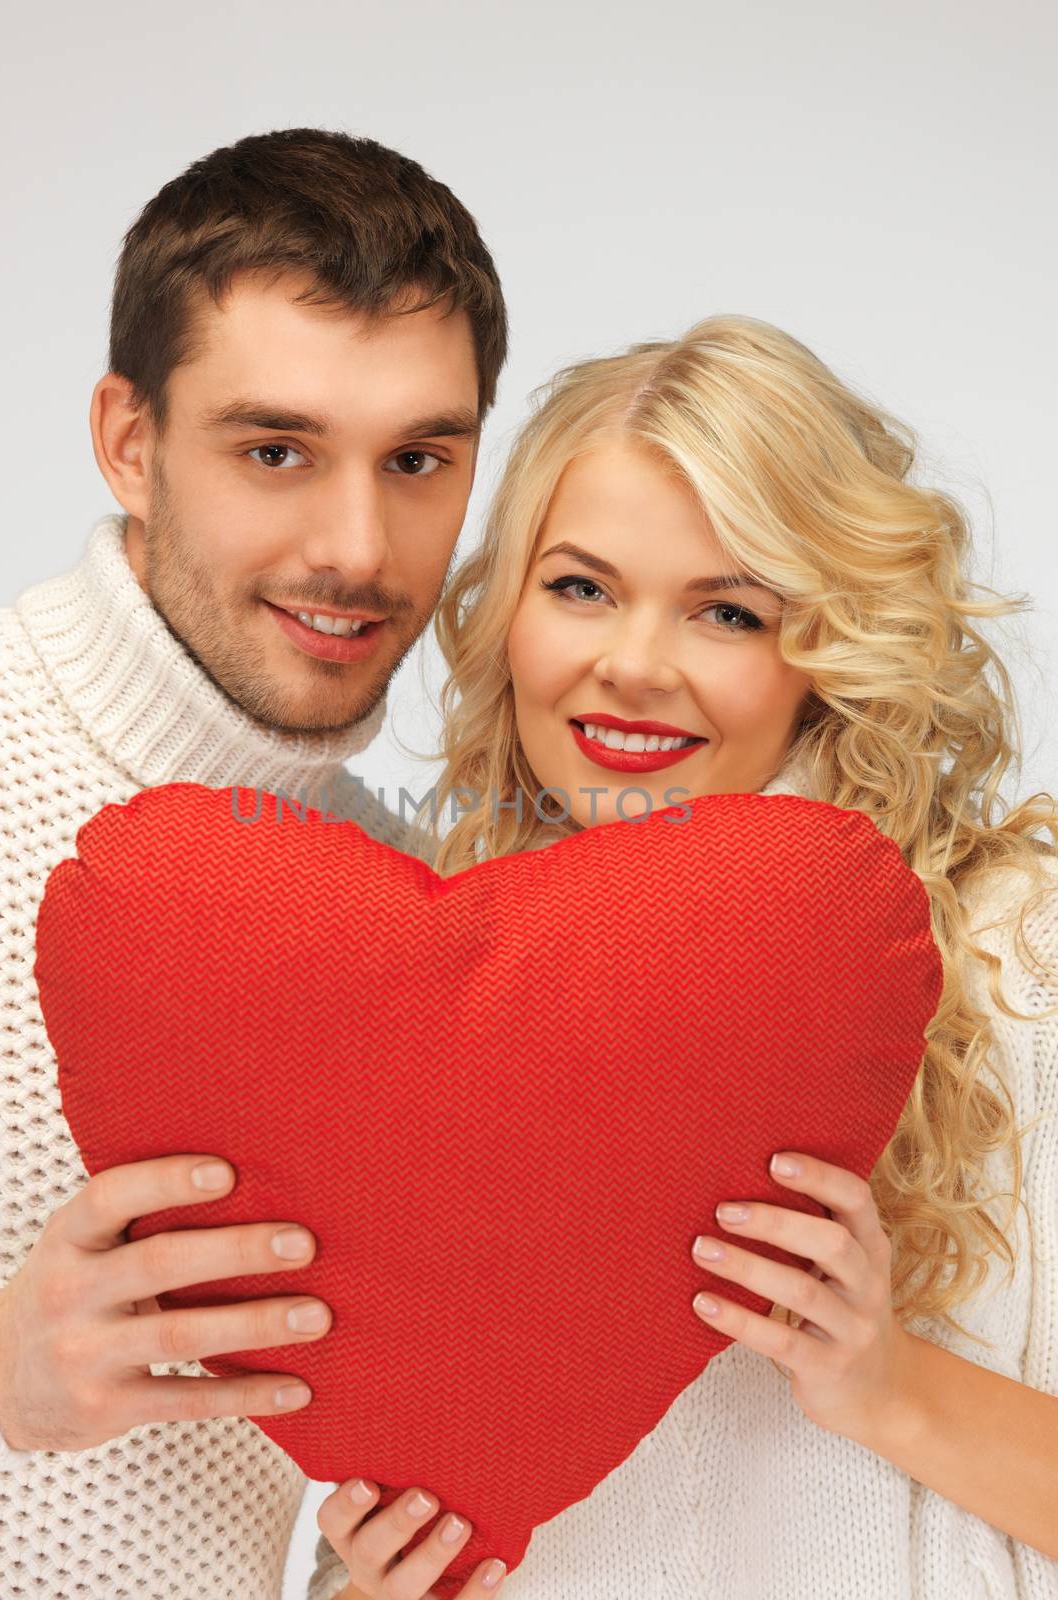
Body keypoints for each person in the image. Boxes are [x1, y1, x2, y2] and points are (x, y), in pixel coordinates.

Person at [0, 126, 513, 1599]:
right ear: (130, 441)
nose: (358, 545)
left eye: (420, 459)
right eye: (274, 450)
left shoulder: (415, 912)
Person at [311, 315, 1058, 1600]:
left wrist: (886, 1384)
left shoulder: (1017, 953)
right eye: (583, 587)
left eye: (726, 609)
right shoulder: (436, 989)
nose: (635, 666)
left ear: (825, 645)